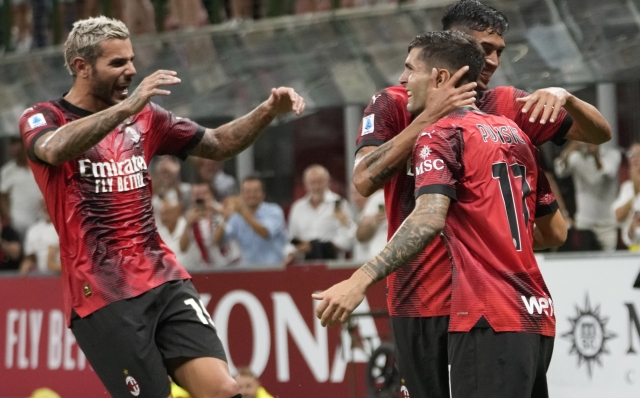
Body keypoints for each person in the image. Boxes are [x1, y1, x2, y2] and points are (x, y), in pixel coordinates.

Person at [18, 16, 304, 398]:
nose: (132, 71)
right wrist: (127, 107)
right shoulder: (44, 117)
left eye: (131, 60)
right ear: (81, 67)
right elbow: (53, 149)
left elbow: (217, 143)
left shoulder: (146, 117)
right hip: (102, 294)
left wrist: (266, 111)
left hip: (163, 275)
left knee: (223, 389)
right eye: (117, 63)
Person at [348, 1, 611, 396]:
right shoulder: (394, 101)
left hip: (487, 301)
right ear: (451, 47)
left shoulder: (509, 109)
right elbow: (363, 180)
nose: (491, 60)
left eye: (498, 51)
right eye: (483, 48)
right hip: (419, 298)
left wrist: (565, 96)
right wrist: (428, 116)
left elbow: (599, 135)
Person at [314, 31, 562, 398]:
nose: (402, 80)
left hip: (485, 316)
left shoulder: (441, 134)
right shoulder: (515, 133)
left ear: (440, 79)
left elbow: (428, 217)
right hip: (534, 312)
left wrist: (359, 280)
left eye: (410, 69)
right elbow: (552, 229)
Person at [554, 140, 621, 251]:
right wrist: (568, 152)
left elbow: (606, 175)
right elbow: (560, 171)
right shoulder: (576, 157)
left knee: (610, 261)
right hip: (584, 222)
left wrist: (596, 157)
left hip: (608, 224)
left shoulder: (612, 155)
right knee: (584, 260)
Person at [213, 176, 287, 267]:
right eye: (247, 192)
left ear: (263, 194)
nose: (251, 195)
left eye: (256, 191)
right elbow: (218, 241)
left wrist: (243, 211)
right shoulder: (236, 216)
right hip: (248, 271)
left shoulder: (274, 210)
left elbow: (265, 233)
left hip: (274, 269)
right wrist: (224, 217)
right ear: (241, 195)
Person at [288, 164, 354, 260]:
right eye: (312, 183)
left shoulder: (339, 203)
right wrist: (295, 250)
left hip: (332, 263)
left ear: (328, 182)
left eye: (319, 182)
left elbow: (348, 237)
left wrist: (315, 247)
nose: (316, 187)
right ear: (305, 184)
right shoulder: (298, 208)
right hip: (305, 265)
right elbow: (292, 237)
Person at [0, 135, 43, 238]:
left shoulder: (39, 166)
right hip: (19, 221)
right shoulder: (7, 171)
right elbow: (2, 196)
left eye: (18, 145)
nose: (15, 149)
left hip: (41, 218)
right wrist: (8, 217)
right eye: (13, 145)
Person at [19, 199, 60, 276]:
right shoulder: (34, 230)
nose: (45, 208)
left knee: (86, 288)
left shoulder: (65, 227)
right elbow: (31, 255)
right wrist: (28, 262)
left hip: (62, 274)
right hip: (41, 276)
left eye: (47, 204)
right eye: (42, 205)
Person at [613, 142, 640, 248]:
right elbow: (617, 216)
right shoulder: (627, 188)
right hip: (634, 252)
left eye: (638, 154)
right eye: (631, 155)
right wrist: (635, 192)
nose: (634, 159)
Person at [352, 187, 387, 262]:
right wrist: (374, 221)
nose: (357, 198)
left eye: (360, 194)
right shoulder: (378, 198)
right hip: (372, 262)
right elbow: (360, 236)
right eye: (354, 194)